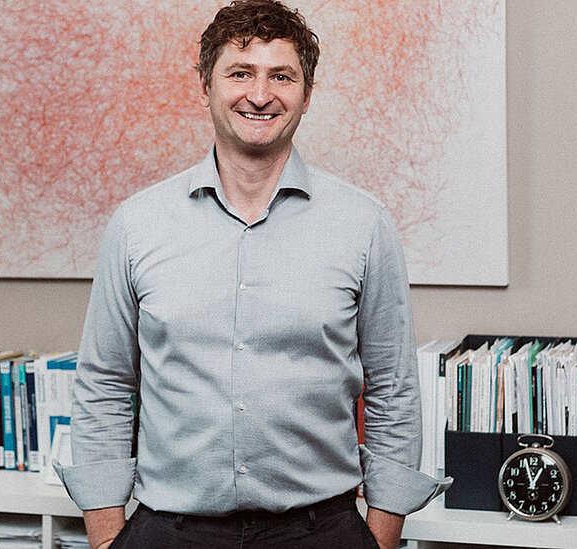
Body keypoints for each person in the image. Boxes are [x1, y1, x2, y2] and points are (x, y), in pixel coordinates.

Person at [55, 1, 450, 548]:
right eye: (240, 73)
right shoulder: (137, 224)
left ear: (306, 95)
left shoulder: (364, 225)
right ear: (205, 86)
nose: (260, 95)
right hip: (168, 531)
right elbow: (104, 383)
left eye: (281, 77)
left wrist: (380, 537)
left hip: (322, 532)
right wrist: (105, 539)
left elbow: (394, 389)